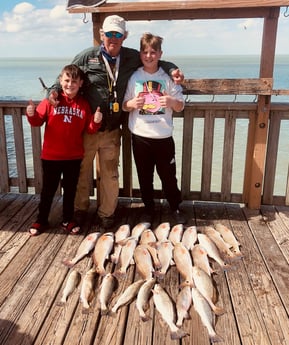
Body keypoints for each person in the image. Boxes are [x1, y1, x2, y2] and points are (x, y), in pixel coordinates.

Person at [48, 15, 184, 229]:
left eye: (117, 34)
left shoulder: (131, 56)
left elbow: (155, 59)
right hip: (88, 129)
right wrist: (53, 92)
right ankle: (80, 210)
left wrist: (172, 69)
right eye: (109, 33)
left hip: (112, 129)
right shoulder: (87, 56)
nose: (113, 38)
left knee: (110, 175)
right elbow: (65, 76)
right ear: (102, 34)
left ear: (124, 36)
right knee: (82, 172)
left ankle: (106, 214)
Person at [26, 64, 102, 236]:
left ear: (81, 83)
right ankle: (41, 220)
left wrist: (96, 121)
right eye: (66, 80)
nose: (69, 84)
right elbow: (37, 121)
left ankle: (68, 219)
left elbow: (89, 128)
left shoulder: (83, 104)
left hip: (73, 157)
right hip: (51, 156)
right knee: (48, 190)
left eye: (74, 81)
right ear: (60, 81)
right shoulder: (51, 101)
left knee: (70, 191)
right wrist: (31, 114)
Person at [122, 33, 186, 224]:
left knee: (168, 176)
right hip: (140, 136)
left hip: (164, 136)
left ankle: (175, 207)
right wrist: (132, 103)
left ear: (160, 54)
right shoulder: (134, 77)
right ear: (140, 54)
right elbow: (125, 104)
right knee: (144, 176)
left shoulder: (168, 77)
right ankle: (148, 209)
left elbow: (180, 106)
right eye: (145, 52)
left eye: (153, 52)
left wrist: (171, 101)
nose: (149, 56)